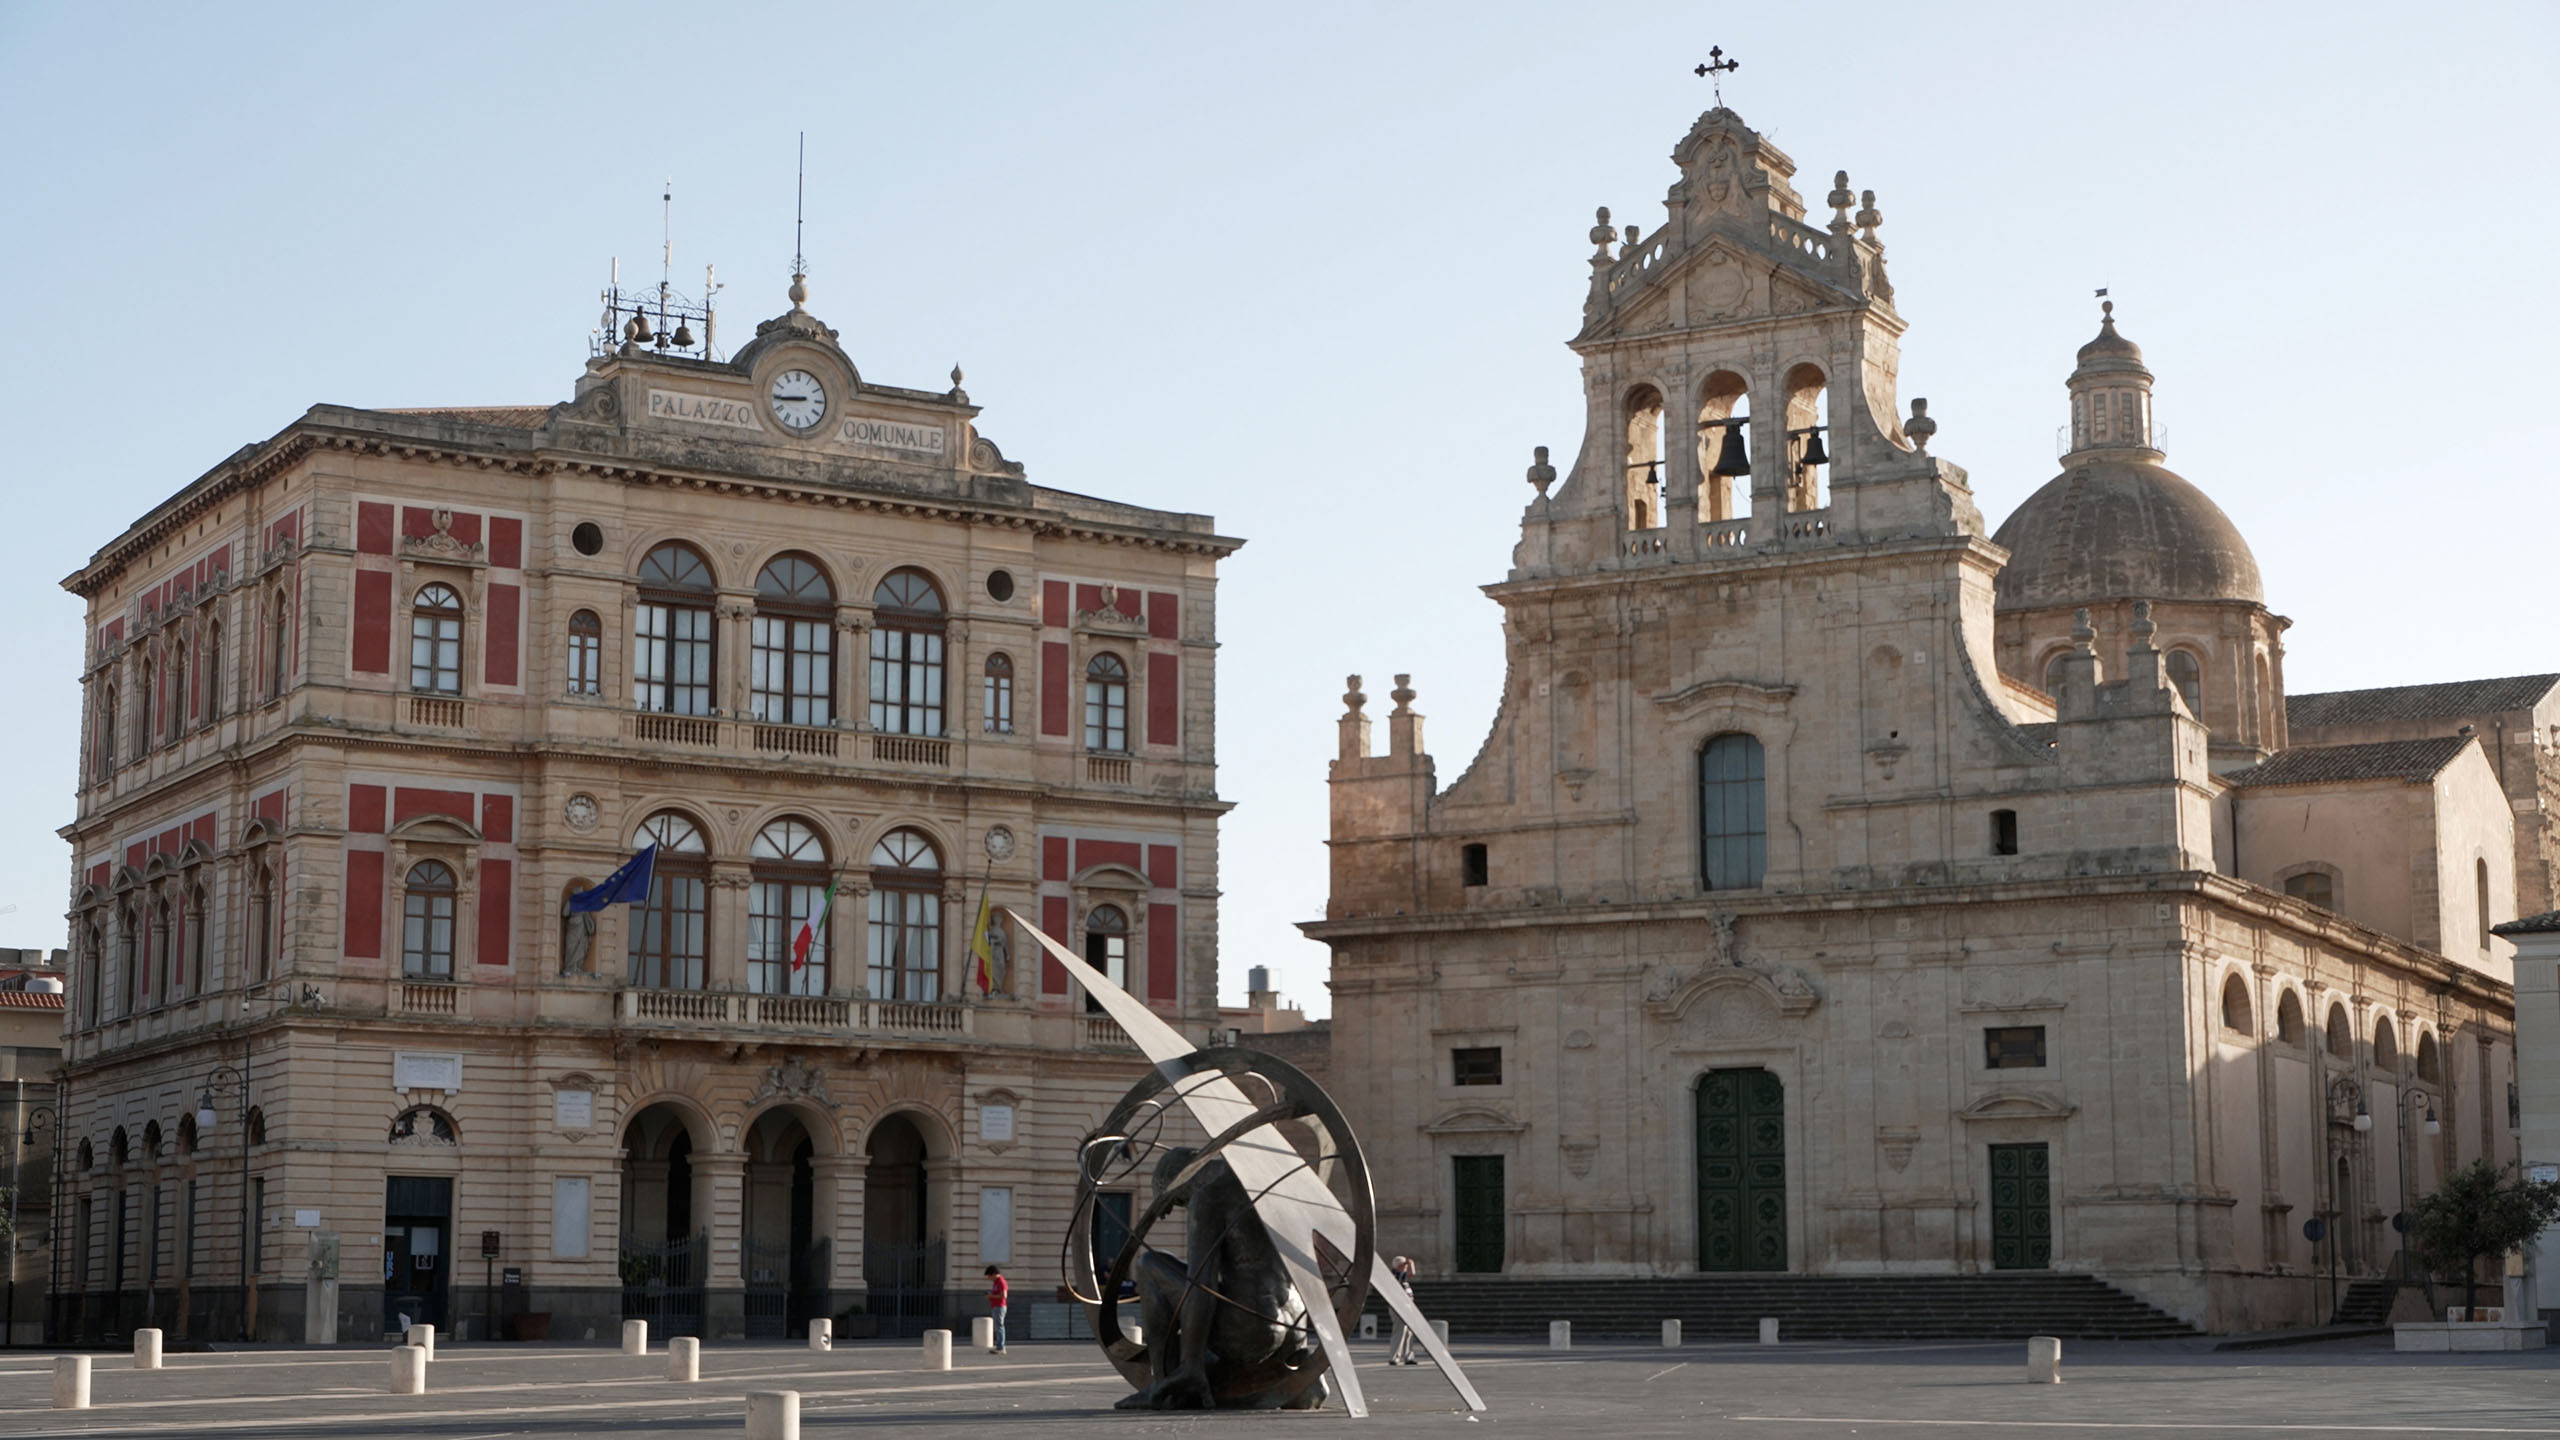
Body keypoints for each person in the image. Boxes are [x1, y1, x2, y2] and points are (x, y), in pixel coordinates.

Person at [1388, 1255, 1420, 1365]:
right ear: (1399, 1266)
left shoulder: (1400, 1275)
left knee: (1409, 1332)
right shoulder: (1395, 1274)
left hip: (1407, 1306)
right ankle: (1395, 1356)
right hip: (1398, 1306)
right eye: (1404, 1265)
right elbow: (1412, 1274)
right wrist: (1411, 1264)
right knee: (1400, 1331)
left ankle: (1408, 1356)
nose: (1406, 1267)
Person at [985, 1264, 1009, 1353]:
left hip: (1000, 1306)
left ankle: (1001, 1347)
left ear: (994, 1274)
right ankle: (999, 1346)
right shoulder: (996, 1282)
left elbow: (1004, 1295)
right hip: (995, 1306)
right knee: (997, 1327)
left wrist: (991, 1296)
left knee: (999, 1327)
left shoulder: (1001, 1282)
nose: (989, 1278)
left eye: (990, 1275)